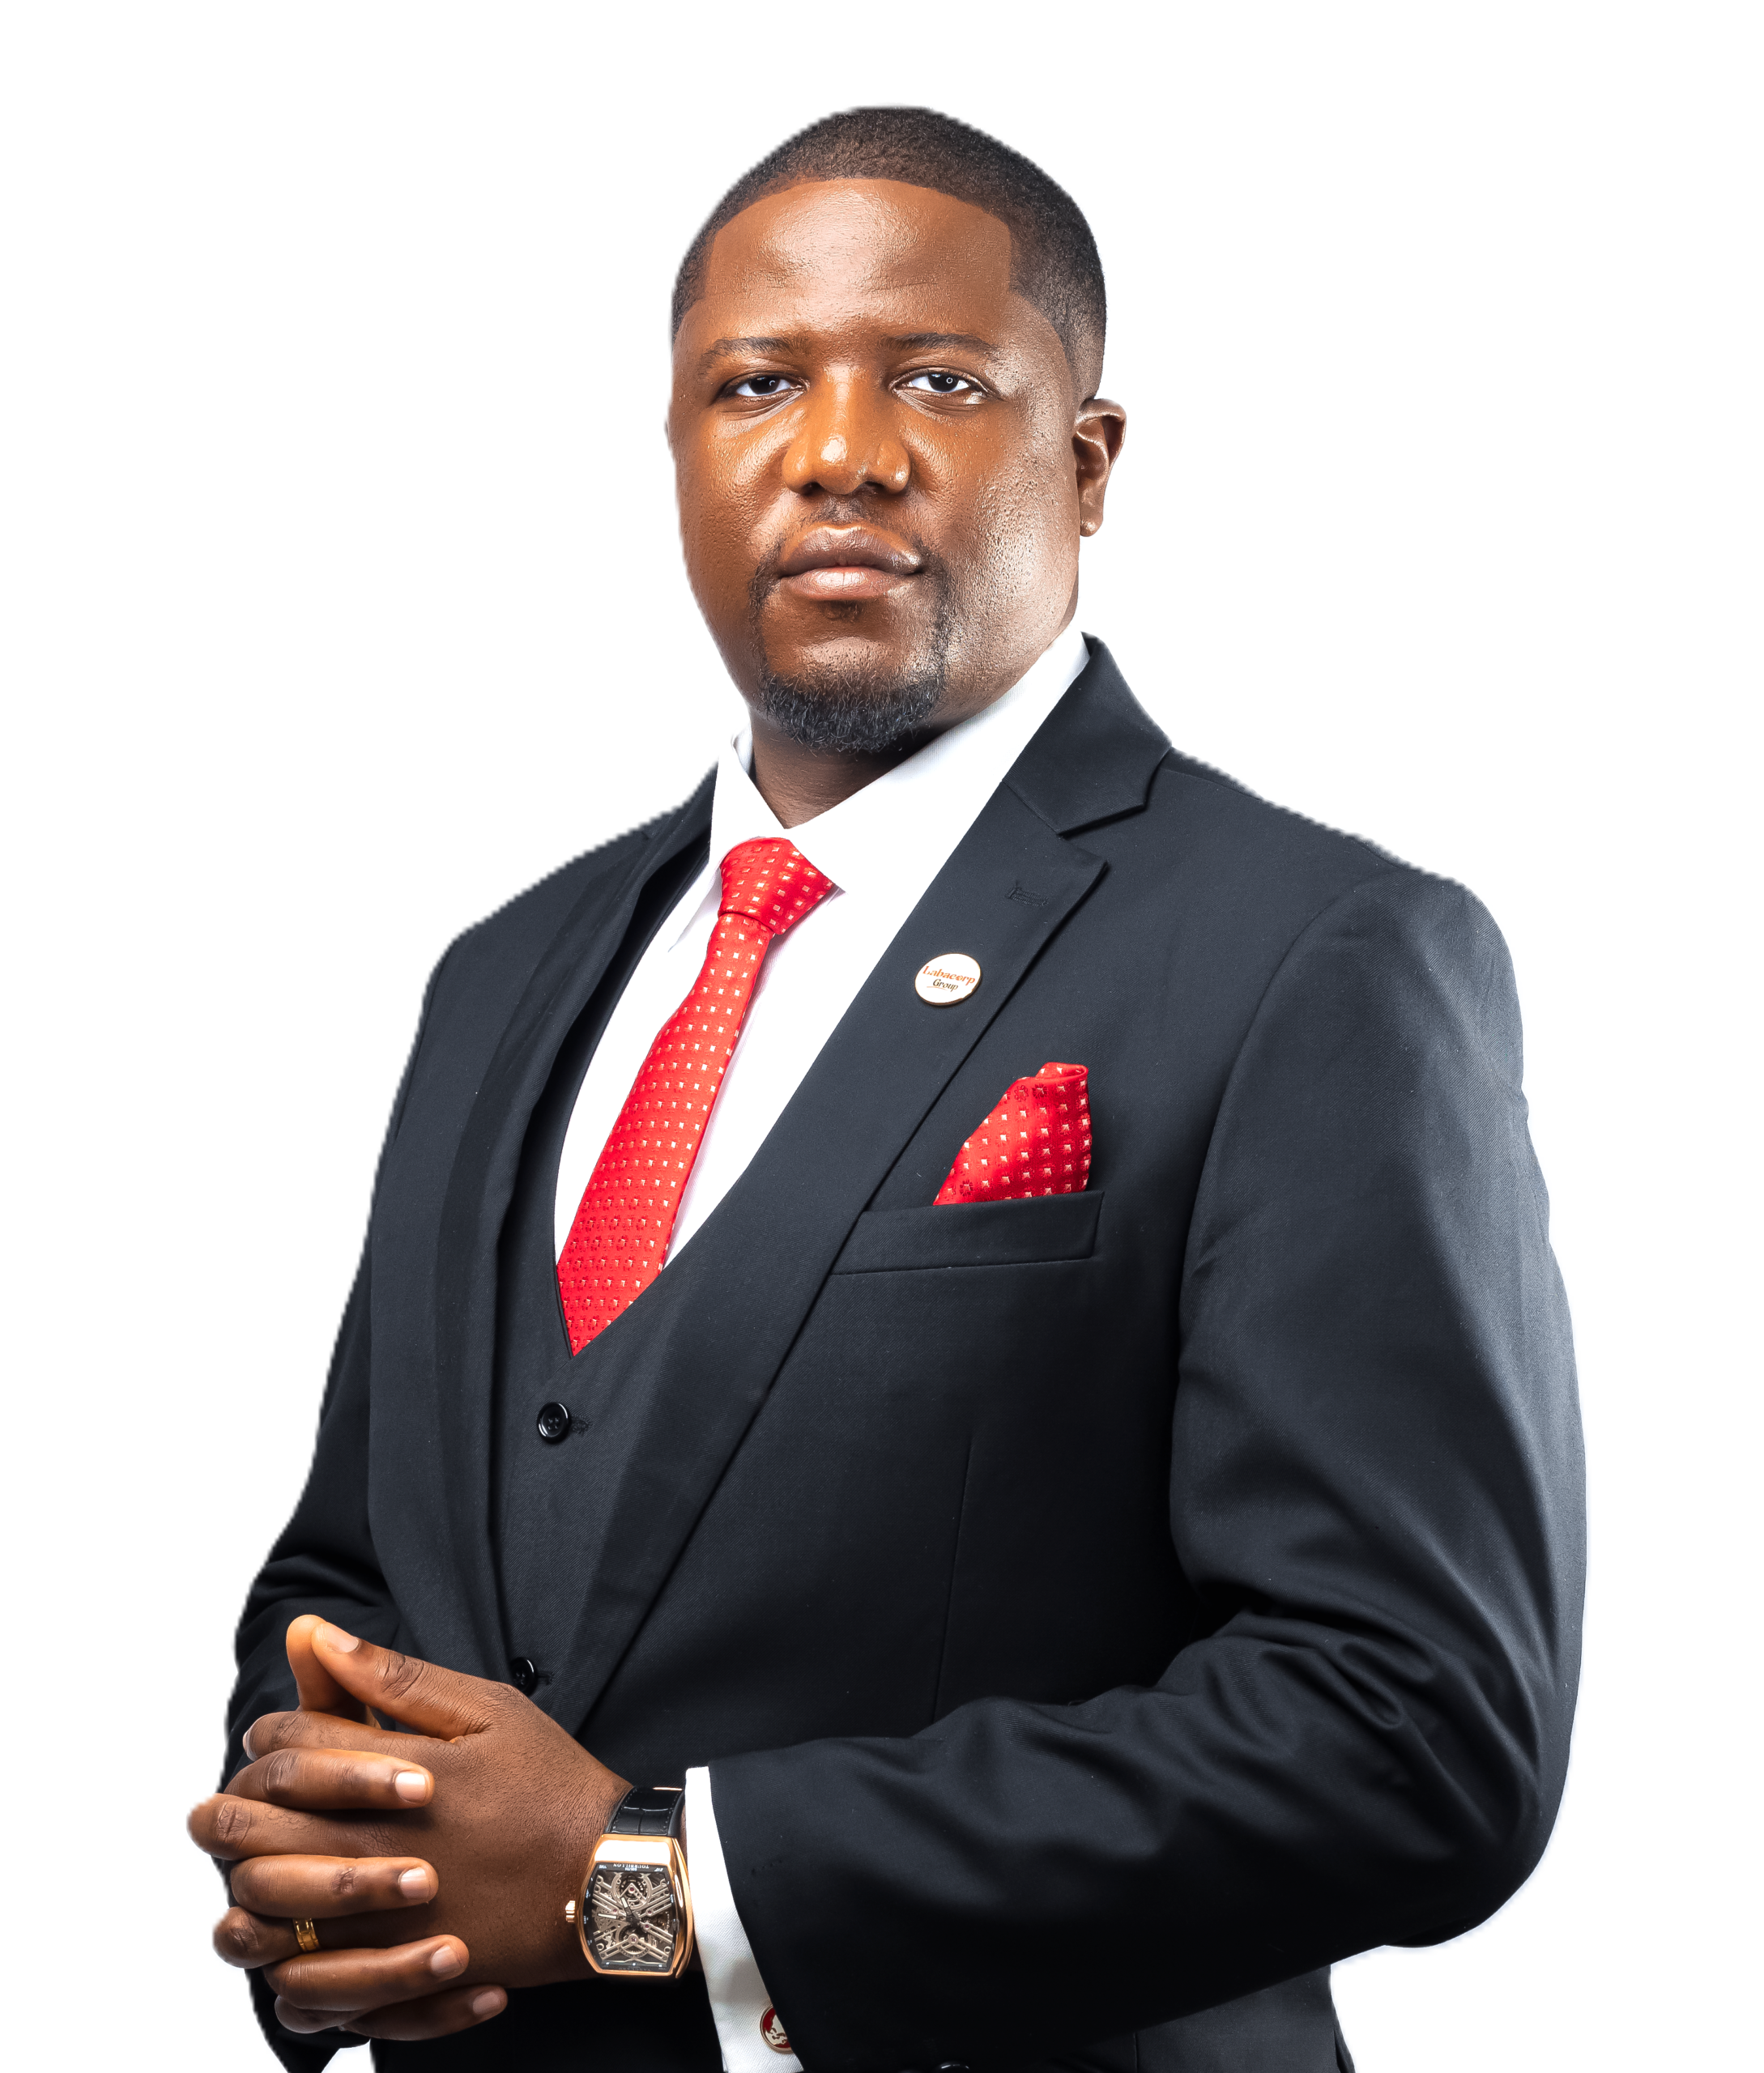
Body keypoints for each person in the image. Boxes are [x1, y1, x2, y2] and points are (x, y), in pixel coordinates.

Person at [189, 101, 1587, 2073]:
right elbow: (346, 1569)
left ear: (1089, 462)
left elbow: (1413, 1731)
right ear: (678, 450)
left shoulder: (1325, 948)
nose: (839, 450)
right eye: (757, 383)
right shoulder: (497, 968)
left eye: (938, 379)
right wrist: (334, 1868)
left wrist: (647, 1883)